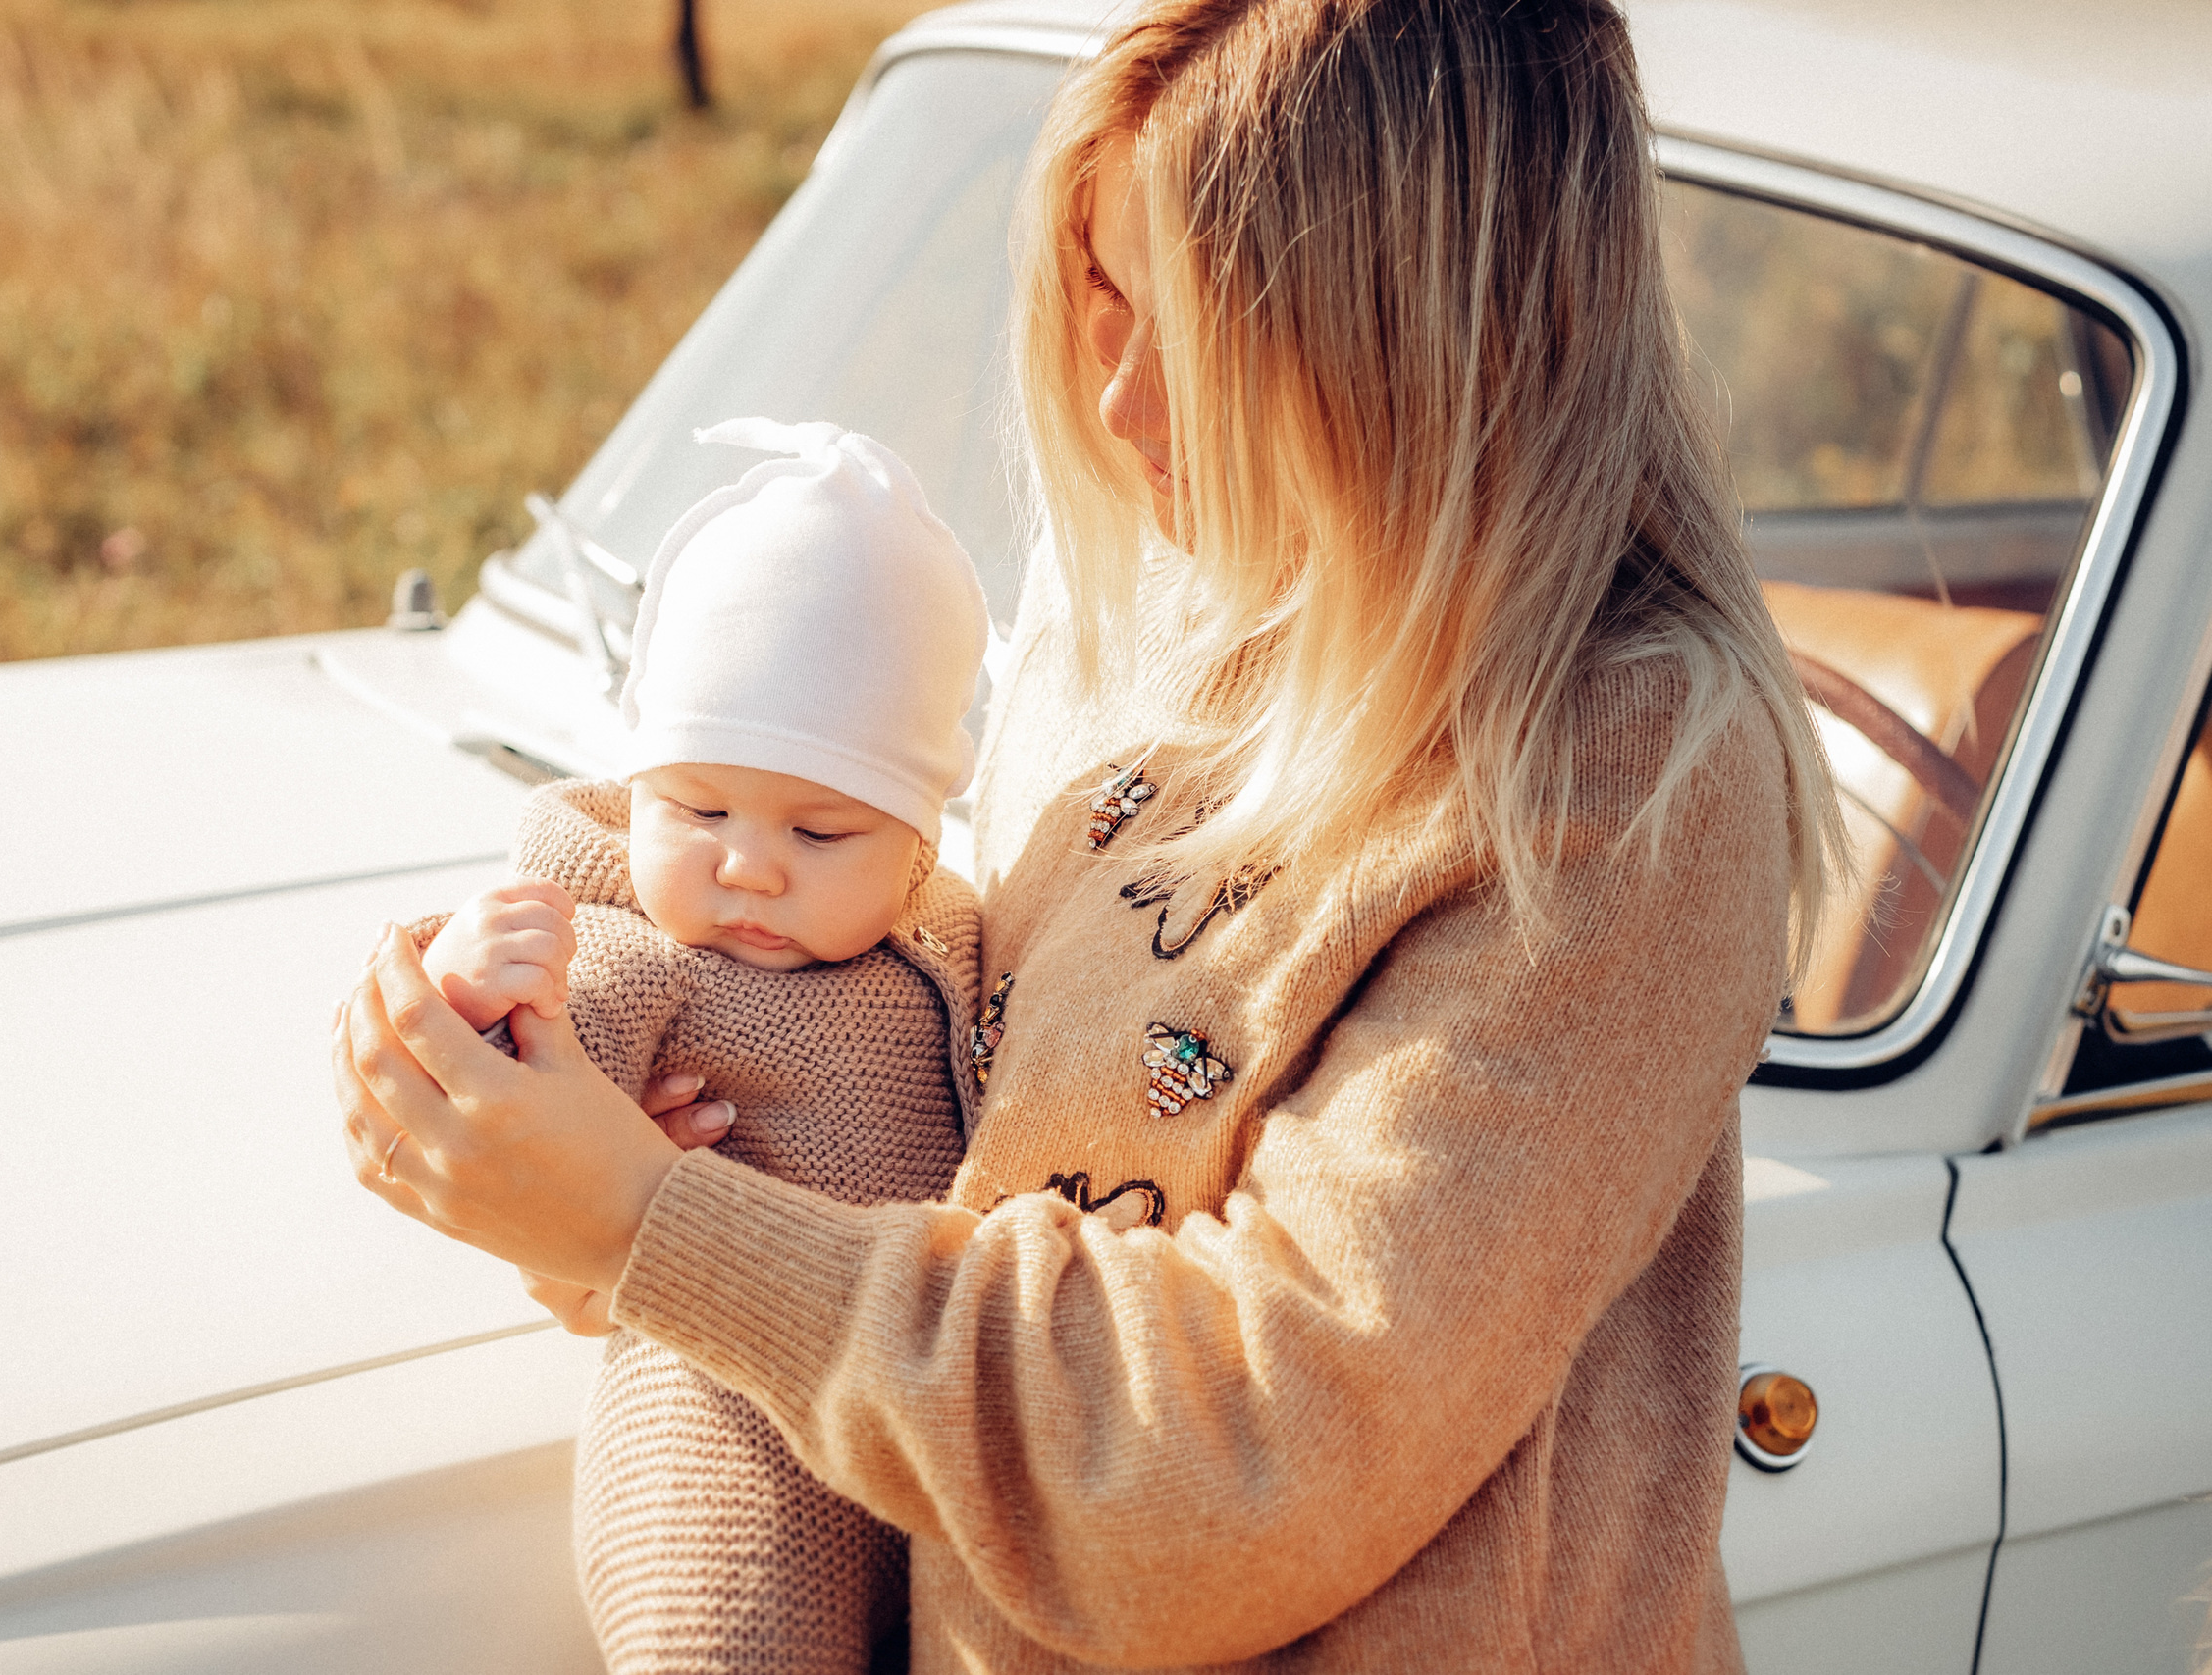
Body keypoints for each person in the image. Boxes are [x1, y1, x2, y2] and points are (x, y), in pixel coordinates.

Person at [336, 1, 1846, 1668]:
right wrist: (602, 1125)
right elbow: (975, 1122)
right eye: (1099, 297)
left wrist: (651, 1227)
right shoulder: (1145, 598)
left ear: (1426, 332)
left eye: (1194, 329)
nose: (1116, 398)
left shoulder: (1627, 772)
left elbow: (1250, 1450)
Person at [413, 418, 990, 1673]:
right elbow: (504, 1138)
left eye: (824, 830)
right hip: (717, 1424)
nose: (746, 865)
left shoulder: (951, 946)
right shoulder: (631, 960)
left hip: (923, 1405)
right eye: (697, 807)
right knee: (731, 1635)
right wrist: (466, 985)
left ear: (917, 843)